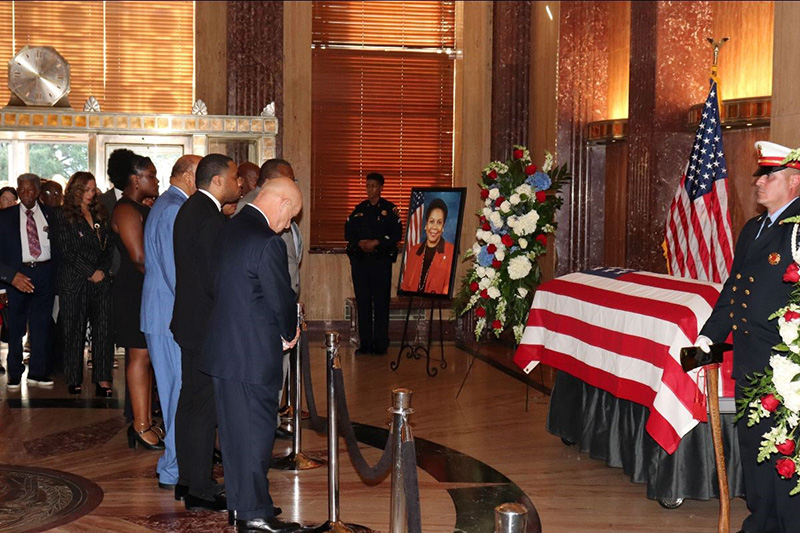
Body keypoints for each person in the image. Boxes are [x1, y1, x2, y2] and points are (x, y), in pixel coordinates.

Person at [697, 140, 800, 533]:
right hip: (751, 360)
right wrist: (709, 336)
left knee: (787, 452)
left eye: (768, 176)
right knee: (756, 446)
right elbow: (734, 290)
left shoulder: (798, 230)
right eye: (759, 175)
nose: (758, 182)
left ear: (793, 182)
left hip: (787, 366)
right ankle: (762, 522)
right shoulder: (754, 229)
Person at [201, 177, 303, 533]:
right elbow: (280, 299)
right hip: (251, 355)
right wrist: (289, 333)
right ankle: (254, 516)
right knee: (255, 437)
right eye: (291, 216)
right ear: (282, 203)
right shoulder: (267, 242)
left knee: (235, 437)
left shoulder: (229, 227)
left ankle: (243, 504)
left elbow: (215, 286)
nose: (287, 225)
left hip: (224, 351)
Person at [172, 153, 240, 512]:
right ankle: (199, 488)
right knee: (202, 408)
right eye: (234, 177)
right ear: (217, 181)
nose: (238, 183)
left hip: (191, 322)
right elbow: (217, 278)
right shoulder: (208, 216)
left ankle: (187, 479)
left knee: (190, 403)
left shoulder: (192, 209)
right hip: (204, 326)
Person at [141, 154, 200, 492]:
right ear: (189, 176)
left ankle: (175, 465)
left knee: (175, 391)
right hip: (168, 315)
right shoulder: (174, 209)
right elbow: (174, 269)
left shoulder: (168, 204)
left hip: (163, 314)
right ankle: (173, 468)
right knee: (177, 393)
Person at [235, 159, 302, 437]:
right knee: (264, 377)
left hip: (282, 301)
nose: (293, 183)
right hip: (263, 311)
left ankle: (270, 421)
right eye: (289, 178)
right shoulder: (250, 210)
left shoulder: (280, 209)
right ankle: (264, 424)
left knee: (278, 372)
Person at [108, 148, 164, 451]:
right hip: (135, 290)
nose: (156, 180)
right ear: (134, 179)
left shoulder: (139, 207)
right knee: (139, 356)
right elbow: (140, 258)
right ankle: (140, 426)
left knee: (146, 356)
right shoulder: (126, 210)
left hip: (145, 288)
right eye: (150, 175)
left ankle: (145, 420)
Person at [53, 172, 114, 396]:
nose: (91, 193)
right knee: (74, 331)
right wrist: (90, 272)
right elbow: (67, 250)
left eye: (93, 189)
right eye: (86, 189)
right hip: (75, 281)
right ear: (75, 190)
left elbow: (109, 245)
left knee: (104, 331)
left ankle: (103, 378)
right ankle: (73, 377)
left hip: (101, 281)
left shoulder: (100, 212)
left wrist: (103, 271)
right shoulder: (62, 214)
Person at [0, 174, 57, 388]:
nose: (25, 193)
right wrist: (6, 282)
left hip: (45, 273)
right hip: (17, 275)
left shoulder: (52, 214)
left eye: (30, 189)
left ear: (37, 191)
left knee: (41, 324)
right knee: (15, 326)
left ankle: (38, 372)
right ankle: (14, 372)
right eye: (21, 189)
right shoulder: (5, 217)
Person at [345, 172, 402, 355]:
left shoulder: (389, 210)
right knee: (363, 303)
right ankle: (366, 344)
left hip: (380, 263)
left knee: (380, 303)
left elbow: (396, 234)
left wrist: (376, 242)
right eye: (367, 185)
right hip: (361, 263)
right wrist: (360, 243)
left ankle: (380, 343)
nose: (369, 189)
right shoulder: (360, 209)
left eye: (373, 186)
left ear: (381, 188)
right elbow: (348, 232)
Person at [399, 198, 455, 295]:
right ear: (426, 224)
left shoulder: (450, 251)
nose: (434, 227)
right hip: (414, 302)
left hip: (435, 303)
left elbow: (446, 290)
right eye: (431, 221)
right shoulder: (414, 250)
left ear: (443, 227)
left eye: (439, 222)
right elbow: (406, 286)